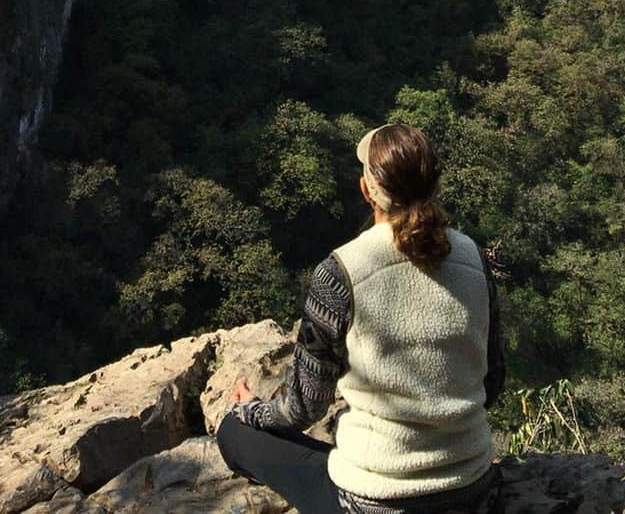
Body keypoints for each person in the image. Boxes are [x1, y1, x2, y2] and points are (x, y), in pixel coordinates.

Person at [216, 123, 505, 514]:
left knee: (234, 433)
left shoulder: (341, 273)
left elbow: (306, 407)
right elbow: (493, 380)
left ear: (367, 190)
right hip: (473, 490)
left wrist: (250, 410)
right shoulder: (473, 259)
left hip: (374, 504)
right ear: (434, 187)